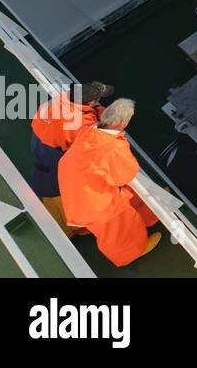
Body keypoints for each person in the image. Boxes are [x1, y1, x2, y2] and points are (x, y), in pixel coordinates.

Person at [58, 99, 162, 266]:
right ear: (123, 122)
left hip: (75, 190)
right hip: (94, 204)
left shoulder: (88, 132)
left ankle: (146, 214)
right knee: (118, 231)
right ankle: (131, 254)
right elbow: (126, 174)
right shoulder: (112, 147)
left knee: (118, 210)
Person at [29, 81, 111, 236]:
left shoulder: (54, 102)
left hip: (40, 159)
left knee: (52, 212)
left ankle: (66, 232)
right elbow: (96, 137)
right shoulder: (80, 122)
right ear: (92, 102)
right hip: (57, 172)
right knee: (70, 217)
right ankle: (77, 229)